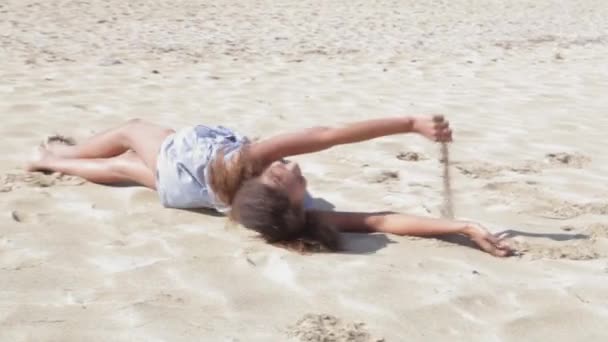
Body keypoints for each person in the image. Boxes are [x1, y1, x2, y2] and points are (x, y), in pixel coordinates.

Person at [27, 115, 511, 257]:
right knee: (130, 168)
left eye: (287, 171)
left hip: (184, 170)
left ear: (260, 178)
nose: (293, 165)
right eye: (293, 174)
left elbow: (325, 133)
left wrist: (409, 123)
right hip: (190, 197)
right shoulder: (291, 215)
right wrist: (461, 226)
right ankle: (55, 163)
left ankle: (59, 155)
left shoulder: (246, 163)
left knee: (133, 133)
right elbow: (382, 220)